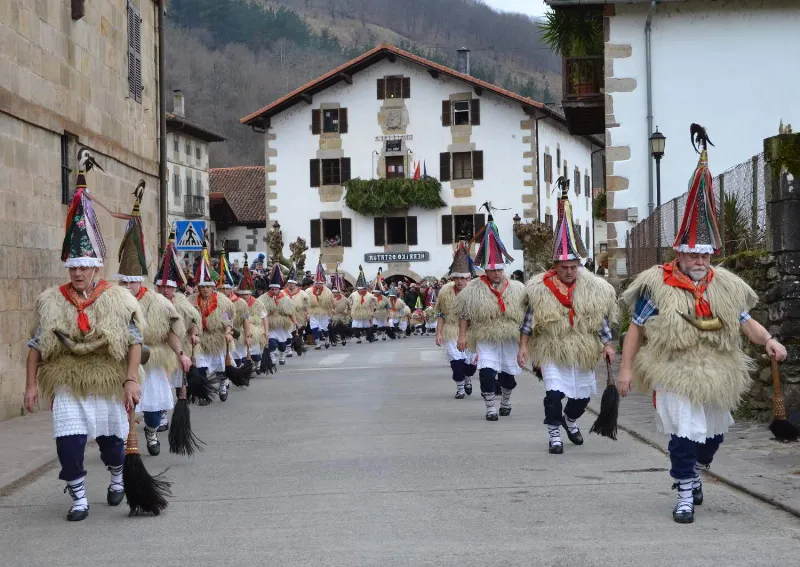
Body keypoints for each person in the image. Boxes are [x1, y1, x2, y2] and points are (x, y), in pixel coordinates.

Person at [618, 126, 788, 523]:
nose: (699, 261)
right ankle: (682, 490)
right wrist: (626, 369)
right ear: (679, 253)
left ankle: (695, 472)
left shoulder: (725, 285)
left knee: (712, 435)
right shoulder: (655, 285)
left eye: (705, 256)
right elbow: (635, 328)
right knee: (683, 431)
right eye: (692, 254)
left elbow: (746, 322)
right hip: (673, 368)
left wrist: (770, 341)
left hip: (718, 369)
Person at [24, 152, 143, 521]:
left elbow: (135, 339)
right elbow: (35, 346)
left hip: (106, 380)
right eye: (73, 266)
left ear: (95, 267)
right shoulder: (50, 302)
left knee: (111, 447)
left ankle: (118, 475)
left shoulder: (116, 298)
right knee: (69, 445)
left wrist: (130, 378)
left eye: (84, 266)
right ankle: (78, 498)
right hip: (68, 384)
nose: (78, 272)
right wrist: (30, 385)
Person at [517, 182, 618, 454]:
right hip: (552, 347)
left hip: (583, 348)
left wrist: (607, 345)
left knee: (581, 398)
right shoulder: (539, 289)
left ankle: (570, 420)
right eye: (565, 267)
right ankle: (554, 435)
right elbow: (528, 321)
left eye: (574, 267)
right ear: (556, 266)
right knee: (553, 395)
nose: (570, 272)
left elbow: (601, 320)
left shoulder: (592, 288)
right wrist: (524, 348)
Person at [116, 186, 190, 455]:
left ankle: (150, 430)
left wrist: (181, 354)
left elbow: (169, 331)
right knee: (123, 405)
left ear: (140, 281)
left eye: (130, 282)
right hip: (124, 362)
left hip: (152, 359)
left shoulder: (158, 302)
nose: (126, 286)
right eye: (122, 281)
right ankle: (126, 437)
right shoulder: (113, 300)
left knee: (152, 411)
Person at [454, 208, 526, 421]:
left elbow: (525, 316)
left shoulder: (516, 288)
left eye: (499, 270)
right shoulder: (473, 289)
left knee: (507, 377)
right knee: (486, 372)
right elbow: (465, 314)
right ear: (486, 270)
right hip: (485, 335)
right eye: (492, 270)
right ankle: (490, 408)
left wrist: (525, 343)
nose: (496, 273)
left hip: (509, 337)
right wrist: (462, 336)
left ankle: (505, 400)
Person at [154, 228, 201, 422]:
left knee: (176, 382)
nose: (166, 290)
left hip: (179, 347)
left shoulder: (183, 303)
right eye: (163, 286)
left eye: (169, 287)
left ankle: (177, 402)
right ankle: (162, 413)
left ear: (175, 287)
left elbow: (194, 320)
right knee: (161, 381)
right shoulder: (151, 302)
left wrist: (195, 334)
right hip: (159, 348)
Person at [187, 242, 235, 401]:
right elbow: (192, 320)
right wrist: (194, 334)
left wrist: (228, 333)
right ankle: (204, 395)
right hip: (201, 339)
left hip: (217, 338)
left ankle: (222, 385)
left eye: (208, 286)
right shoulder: (192, 301)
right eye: (202, 286)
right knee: (201, 368)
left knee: (220, 369)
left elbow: (228, 321)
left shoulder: (223, 302)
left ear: (213, 287)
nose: (205, 289)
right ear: (199, 287)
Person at [435, 242, 478, 399]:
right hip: (452, 330)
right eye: (457, 278)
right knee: (456, 363)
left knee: (470, 365)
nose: (460, 281)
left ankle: (467, 379)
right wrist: (438, 333)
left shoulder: (476, 293)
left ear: (469, 278)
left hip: (472, 333)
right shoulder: (445, 293)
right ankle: (460, 387)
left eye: (463, 278)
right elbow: (441, 314)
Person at [256, 263, 298, 366]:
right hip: (269, 325)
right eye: (272, 289)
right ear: (269, 289)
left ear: (279, 289)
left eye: (276, 289)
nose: (274, 291)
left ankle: (282, 355)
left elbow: (291, 312)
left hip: (281, 325)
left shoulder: (285, 298)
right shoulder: (262, 299)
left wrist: (295, 322)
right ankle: (272, 357)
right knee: (272, 343)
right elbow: (258, 312)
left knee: (282, 345)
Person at [308, 259, 335, 349]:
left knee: (325, 328)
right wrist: (306, 312)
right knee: (314, 328)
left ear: (322, 283)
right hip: (313, 312)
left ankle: (327, 339)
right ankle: (318, 343)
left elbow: (332, 302)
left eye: (320, 283)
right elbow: (305, 302)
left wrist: (331, 311)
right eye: (317, 283)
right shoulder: (308, 291)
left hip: (324, 312)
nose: (318, 285)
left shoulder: (328, 292)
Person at [284, 264, 309, 357]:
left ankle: (298, 347)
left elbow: (306, 304)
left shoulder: (302, 293)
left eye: (293, 284)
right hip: (286, 316)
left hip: (299, 314)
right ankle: (288, 348)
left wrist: (307, 313)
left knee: (298, 332)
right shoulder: (283, 293)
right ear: (287, 284)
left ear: (295, 284)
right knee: (288, 332)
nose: (291, 285)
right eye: (289, 283)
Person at [349, 266, 377, 344]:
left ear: (365, 289)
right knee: (355, 326)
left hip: (365, 312)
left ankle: (370, 337)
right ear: (358, 289)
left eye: (363, 289)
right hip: (356, 313)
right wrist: (350, 309)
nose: (362, 290)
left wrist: (372, 310)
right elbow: (349, 302)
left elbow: (374, 303)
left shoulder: (370, 295)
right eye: (360, 289)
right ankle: (358, 338)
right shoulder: (353, 294)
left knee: (367, 326)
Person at [329, 271, 350, 347]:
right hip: (332, 316)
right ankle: (333, 340)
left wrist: (346, 312)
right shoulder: (329, 299)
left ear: (338, 292)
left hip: (341, 316)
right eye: (333, 292)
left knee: (341, 328)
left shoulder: (345, 299)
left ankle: (343, 338)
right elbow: (327, 306)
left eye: (335, 292)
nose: (334, 294)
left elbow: (349, 307)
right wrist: (331, 310)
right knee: (332, 329)